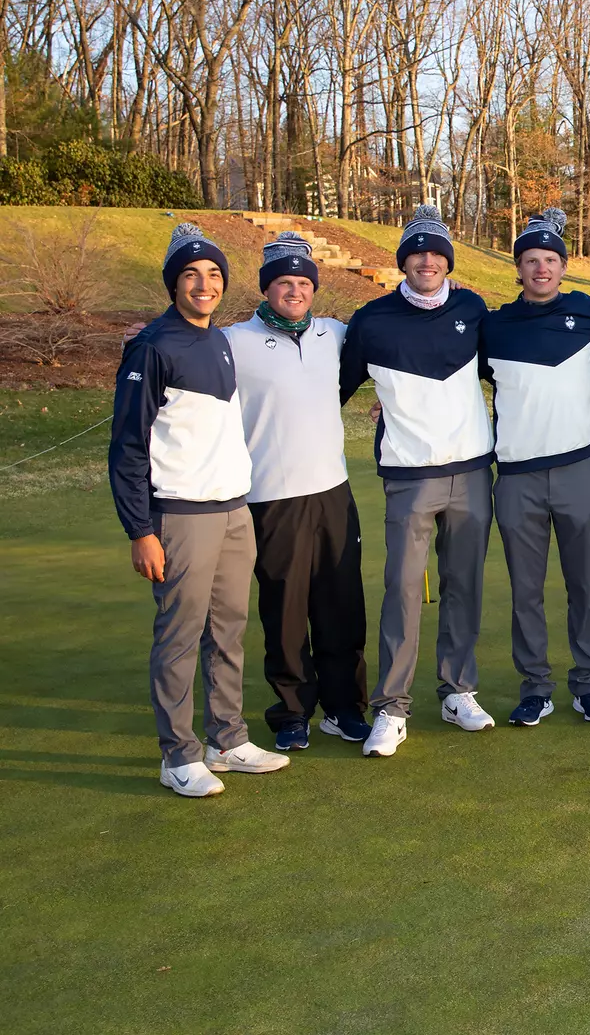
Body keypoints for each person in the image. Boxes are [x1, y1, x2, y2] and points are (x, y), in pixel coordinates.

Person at [109, 222, 290, 797]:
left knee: (229, 631)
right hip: (181, 515)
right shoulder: (152, 347)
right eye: (191, 274)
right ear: (174, 283)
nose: (204, 284)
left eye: (213, 274)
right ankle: (178, 755)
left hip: (234, 508)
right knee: (180, 636)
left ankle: (228, 740)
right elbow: (128, 447)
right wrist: (141, 530)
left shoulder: (219, 341)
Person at [339, 205, 496, 757]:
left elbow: (509, 367)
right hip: (409, 476)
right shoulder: (372, 320)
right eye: (417, 252)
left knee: (463, 585)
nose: (427, 261)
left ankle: (457, 690)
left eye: (437, 253)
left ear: (447, 260)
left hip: (474, 471)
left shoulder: (474, 309)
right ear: (404, 261)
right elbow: (327, 384)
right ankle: (391, 708)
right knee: (403, 588)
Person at [222, 233, 370, 752]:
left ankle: (345, 708)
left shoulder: (335, 333)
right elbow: (180, 348)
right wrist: (145, 338)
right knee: (285, 610)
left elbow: (395, 350)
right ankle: (291, 712)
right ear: (267, 289)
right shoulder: (233, 340)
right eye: (284, 282)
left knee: (342, 604)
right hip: (270, 496)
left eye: (304, 282)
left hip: (333, 492)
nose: (295, 291)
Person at [482, 209, 590, 726]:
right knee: (526, 590)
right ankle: (535, 686)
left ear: (564, 266)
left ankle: (589, 684)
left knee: (584, 584)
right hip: (517, 477)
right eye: (531, 261)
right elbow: (442, 371)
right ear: (518, 268)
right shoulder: (491, 325)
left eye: (551, 260)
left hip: (578, 470)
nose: (541, 269)